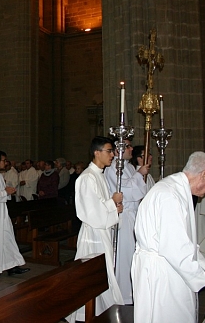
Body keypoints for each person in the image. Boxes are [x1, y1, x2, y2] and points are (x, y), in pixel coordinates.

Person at [132, 151, 205, 323]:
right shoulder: (169, 195)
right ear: (203, 175)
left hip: (170, 267)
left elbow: (185, 242)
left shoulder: (177, 190)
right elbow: (174, 248)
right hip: (162, 273)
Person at [67, 136, 124, 322]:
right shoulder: (86, 178)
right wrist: (112, 203)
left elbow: (102, 206)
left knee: (101, 274)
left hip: (102, 231)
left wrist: (114, 209)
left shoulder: (99, 175)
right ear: (96, 152)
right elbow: (89, 212)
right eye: (109, 151)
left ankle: (101, 311)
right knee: (93, 275)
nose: (113, 155)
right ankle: (87, 313)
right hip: (93, 233)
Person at [104, 139, 149, 305]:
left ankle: (132, 291)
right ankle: (122, 294)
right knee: (124, 257)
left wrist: (138, 173)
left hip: (132, 215)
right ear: (118, 149)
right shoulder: (114, 167)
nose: (131, 149)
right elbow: (124, 190)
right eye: (128, 146)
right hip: (123, 217)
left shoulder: (128, 166)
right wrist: (139, 174)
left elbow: (139, 190)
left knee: (132, 256)